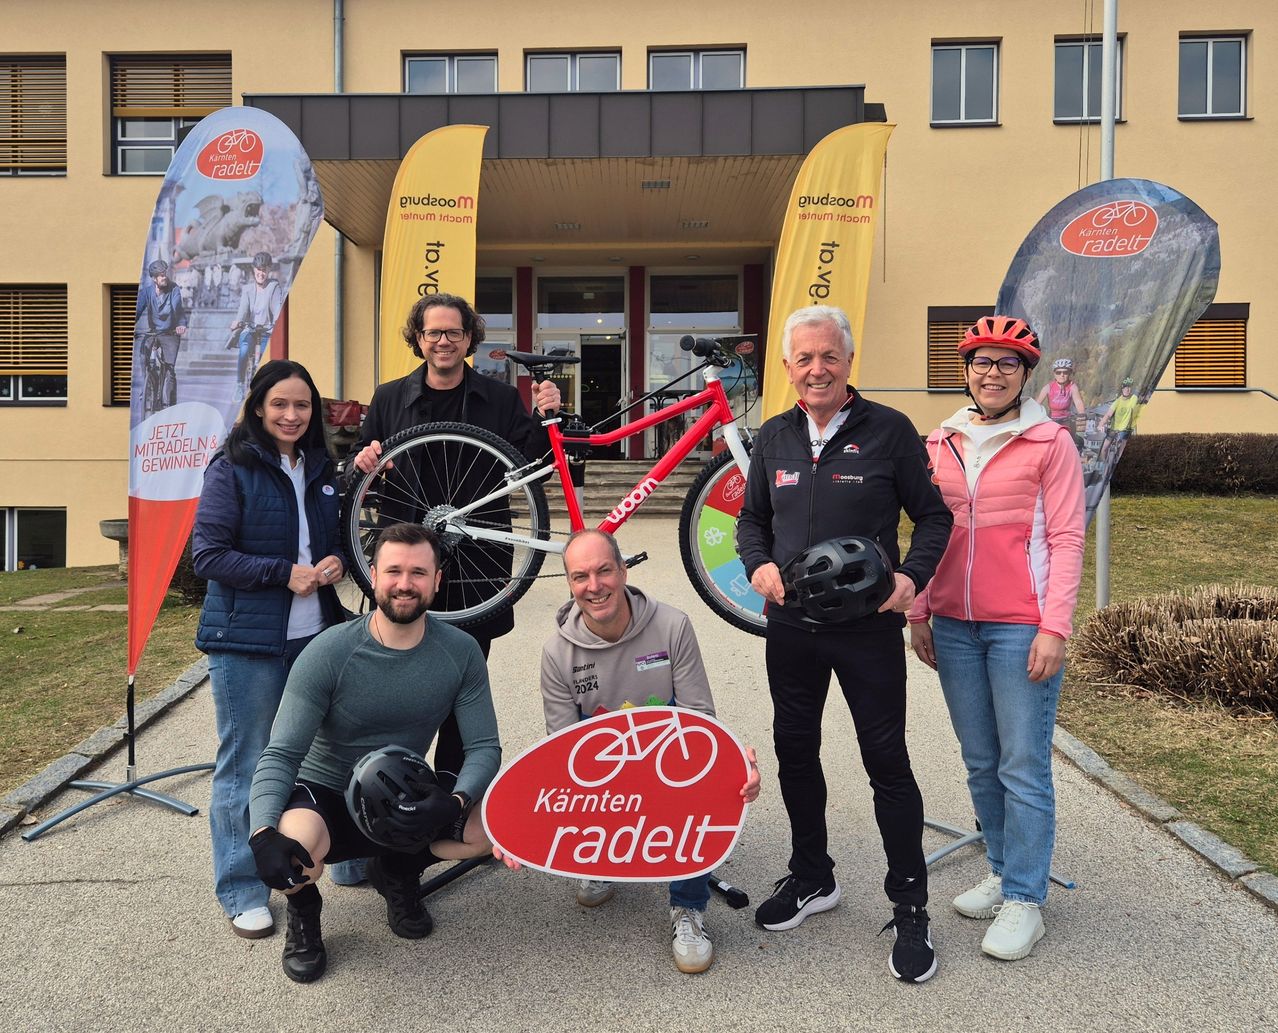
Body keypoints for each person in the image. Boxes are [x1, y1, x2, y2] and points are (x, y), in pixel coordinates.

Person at [736, 304, 952, 985]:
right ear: (788, 367)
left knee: (886, 760)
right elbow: (751, 519)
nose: (817, 368)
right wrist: (758, 565)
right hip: (792, 629)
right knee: (795, 751)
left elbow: (936, 515)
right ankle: (811, 876)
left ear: (848, 360)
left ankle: (911, 904)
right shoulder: (773, 436)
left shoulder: (888, 431)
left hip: (867, 632)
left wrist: (911, 578)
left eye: (828, 355)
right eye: (804, 358)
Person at [333, 293, 560, 887]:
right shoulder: (389, 399)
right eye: (433, 333)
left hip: (477, 564)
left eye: (454, 333)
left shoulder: (499, 398)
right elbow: (357, 477)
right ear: (419, 338)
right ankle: (375, 823)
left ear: (469, 339)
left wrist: (546, 417)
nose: (443, 342)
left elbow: (537, 464)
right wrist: (362, 462)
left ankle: (451, 822)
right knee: (390, 693)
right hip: (407, 565)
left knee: (462, 694)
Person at [247, 522, 501, 983]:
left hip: (404, 792)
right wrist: (262, 832)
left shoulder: (461, 652)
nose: (405, 584)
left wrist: (457, 799)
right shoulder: (329, 651)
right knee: (294, 842)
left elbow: (484, 745)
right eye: (394, 571)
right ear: (373, 575)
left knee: (486, 831)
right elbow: (281, 753)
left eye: (419, 573)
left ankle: (398, 873)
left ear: (437, 580)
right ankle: (304, 912)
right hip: (327, 791)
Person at [502, 529, 761, 974]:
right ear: (569, 584)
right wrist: (517, 826)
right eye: (580, 576)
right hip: (601, 753)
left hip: (669, 745)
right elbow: (562, 753)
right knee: (577, 757)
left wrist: (731, 767)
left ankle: (688, 907)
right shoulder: (557, 652)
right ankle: (601, 856)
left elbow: (701, 719)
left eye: (604, 570)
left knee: (698, 776)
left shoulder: (672, 625)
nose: (594, 585)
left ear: (623, 570)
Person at [907, 315, 1085, 961]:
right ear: (967, 369)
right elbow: (928, 530)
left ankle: (1026, 900)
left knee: (1023, 763)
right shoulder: (941, 441)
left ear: (1026, 374)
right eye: (982, 361)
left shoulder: (1049, 442)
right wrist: (919, 610)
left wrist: (1054, 627)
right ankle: (1006, 871)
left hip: (1020, 626)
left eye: (1007, 363)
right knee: (981, 758)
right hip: (953, 623)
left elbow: (1066, 540)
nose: (992, 372)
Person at [192, 359, 348, 941]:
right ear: (258, 406)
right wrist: (282, 572)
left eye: (302, 405)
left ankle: (344, 856)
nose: (291, 415)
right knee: (247, 765)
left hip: (316, 639)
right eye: (280, 404)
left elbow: (334, 546)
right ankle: (242, 888)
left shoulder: (321, 468)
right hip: (248, 645)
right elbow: (207, 555)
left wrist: (336, 561)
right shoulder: (231, 468)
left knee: (327, 753)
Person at [134, 259, 188, 413]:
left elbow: (178, 309)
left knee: (169, 369)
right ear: (154, 279)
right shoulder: (146, 292)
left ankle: (170, 405)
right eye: (160, 275)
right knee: (144, 353)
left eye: (165, 273)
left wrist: (181, 325)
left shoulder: (174, 289)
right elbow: (137, 311)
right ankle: (148, 385)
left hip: (171, 333)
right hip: (154, 332)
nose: (164, 276)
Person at [230, 252, 284, 401]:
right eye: (258, 270)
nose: (261, 273)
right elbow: (243, 311)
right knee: (244, 351)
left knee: (267, 359)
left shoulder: (274, 287)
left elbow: (277, 309)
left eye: (264, 270)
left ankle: (265, 389)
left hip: (267, 329)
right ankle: (239, 385)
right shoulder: (247, 289)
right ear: (254, 270)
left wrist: (277, 323)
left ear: (268, 270)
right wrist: (238, 322)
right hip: (250, 328)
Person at [1035, 357, 1086, 445]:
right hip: (1052, 419)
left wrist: (1081, 414)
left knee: (1071, 442)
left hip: (1067, 420)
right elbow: (1037, 403)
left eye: (1065, 372)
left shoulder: (1072, 387)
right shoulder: (1048, 387)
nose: (1062, 375)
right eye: (1058, 372)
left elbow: (1078, 402)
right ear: (1054, 374)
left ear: (1069, 373)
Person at [1099, 376, 1144, 464]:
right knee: (1104, 449)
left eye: (1130, 387)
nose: (1128, 389)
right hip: (1114, 429)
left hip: (1125, 429)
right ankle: (1104, 467)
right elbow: (1108, 414)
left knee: (1122, 451)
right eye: (1126, 387)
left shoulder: (1134, 398)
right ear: (1122, 389)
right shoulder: (1117, 402)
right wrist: (1101, 424)